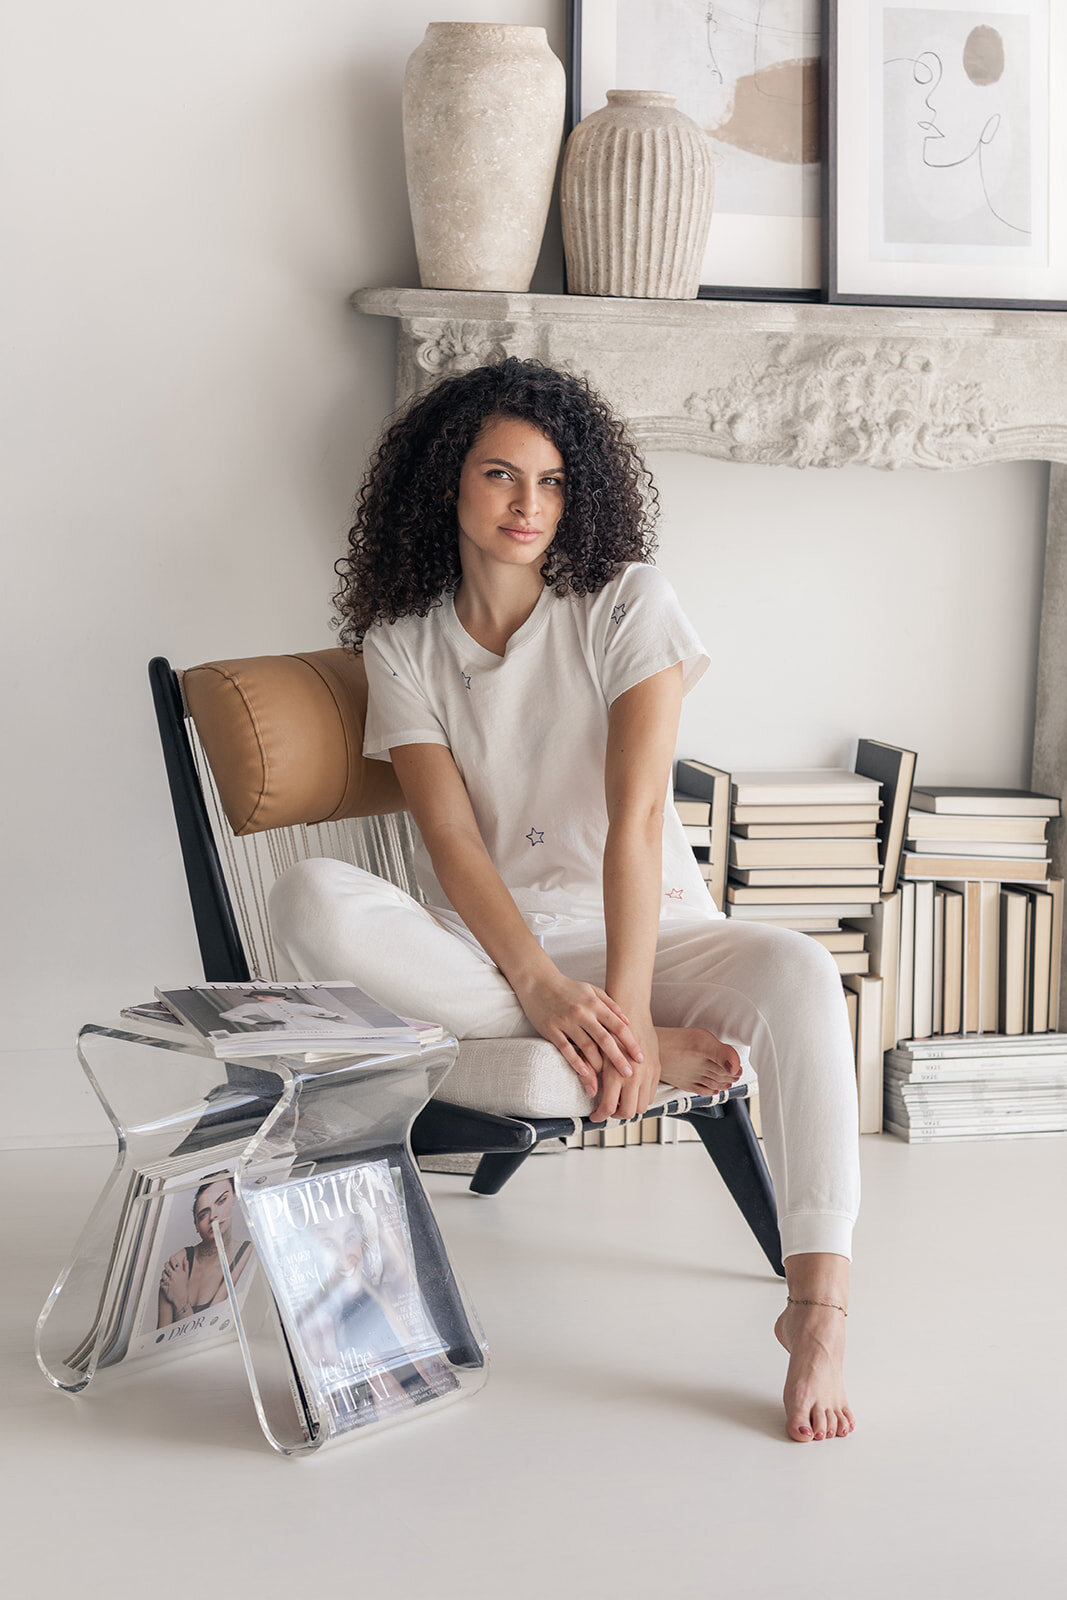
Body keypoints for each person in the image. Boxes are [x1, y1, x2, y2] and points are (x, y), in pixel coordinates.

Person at [269, 359, 860, 1443]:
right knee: (308, 895)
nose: (526, 506)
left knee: (799, 970)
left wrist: (627, 1007)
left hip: (657, 925)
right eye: (499, 475)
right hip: (502, 950)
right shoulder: (402, 644)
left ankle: (815, 1309)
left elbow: (638, 819)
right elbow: (448, 839)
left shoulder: (626, 602)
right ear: (445, 483)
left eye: (547, 481)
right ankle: (605, 1030)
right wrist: (539, 986)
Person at [157, 1173, 254, 1327]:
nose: (213, 1216)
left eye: (221, 1201)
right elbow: (160, 1340)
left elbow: (210, 1330)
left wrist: (181, 1300)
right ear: (196, 1224)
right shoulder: (178, 1263)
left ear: (235, 1197)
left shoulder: (248, 1252)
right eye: (203, 1214)